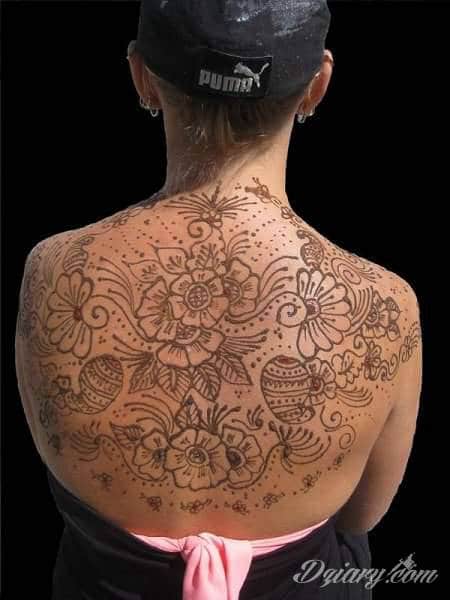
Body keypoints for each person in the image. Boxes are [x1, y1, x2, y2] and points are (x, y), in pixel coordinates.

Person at [14, 1, 422, 599]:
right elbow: (363, 515)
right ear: (317, 85)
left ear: (141, 76)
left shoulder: (53, 271)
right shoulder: (385, 306)